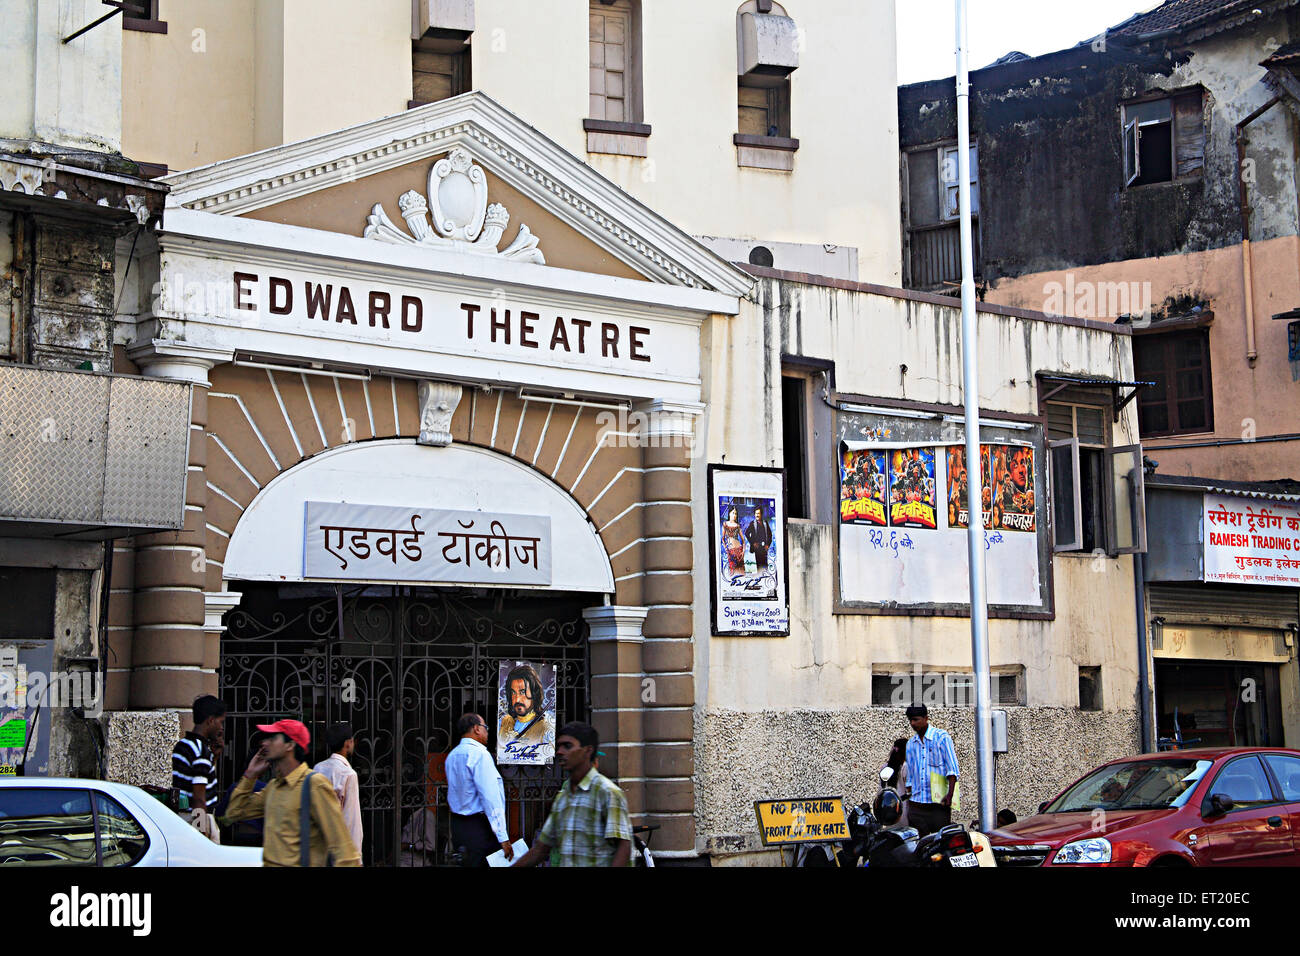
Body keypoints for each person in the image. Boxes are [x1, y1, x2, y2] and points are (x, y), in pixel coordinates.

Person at [224, 719, 361, 867]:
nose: (265, 743)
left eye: (273, 738)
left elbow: (344, 848)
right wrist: (250, 775)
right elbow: (234, 812)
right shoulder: (273, 788)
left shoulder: (315, 785)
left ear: (290, 745)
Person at [512, 721, 632, 867]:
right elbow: (541, 848)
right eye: (559, 746)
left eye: (568, 746)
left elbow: (624, 847)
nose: (560, 752)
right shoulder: (563, 797)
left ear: (587, 751)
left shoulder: (607, 793)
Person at [445, 712, 512, 866]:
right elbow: (490, 797)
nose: (487, 732)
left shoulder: (452, 755)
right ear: (476, 728)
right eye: (485, 727)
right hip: (479, 827)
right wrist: (503, 837)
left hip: (458, 826)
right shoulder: (480, 754)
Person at [171, 695, 225, 843]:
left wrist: (214, 757)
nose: (221, 727)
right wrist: (201, 836)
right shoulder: (201, 751)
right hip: (198, 818)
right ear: (211, 720)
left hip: (182, 817)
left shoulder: (182, 745)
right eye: (220, 722)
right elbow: (199, 798)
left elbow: (191, 779)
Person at [902, 704, 960, 837]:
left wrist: (950, 795)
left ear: (926, 718)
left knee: (939, 842)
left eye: (916, 719)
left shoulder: (941, 737)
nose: (912, 723)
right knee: (919, 843)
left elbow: (953, 770)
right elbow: (910, 774)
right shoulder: (911, 744)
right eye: (910, 720)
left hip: (938, 804)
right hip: (916, 804)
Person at [313, 722, 362, 857]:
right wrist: (356, 856)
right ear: (347, 743)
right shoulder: (348, 774)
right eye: (352, 741)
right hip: (338, 846)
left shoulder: (318, 768)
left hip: (318, 842)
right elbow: (351, 819)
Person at [496, 664, 554, 757]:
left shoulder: (546, 725)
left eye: (522, 692)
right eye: (513, 693)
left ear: (535, 693)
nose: (517, 699)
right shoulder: (503, 722)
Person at [747, 505, 772, 570]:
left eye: (758, 513)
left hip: (764, 548)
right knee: (759, 566)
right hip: (757, 548)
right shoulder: (752, 523)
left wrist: (768, 545)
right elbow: (747, 533)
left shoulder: (765, 523)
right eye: (756, 513)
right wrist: (753, 543)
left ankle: (765, 578)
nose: (757, 515)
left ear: (761, 514)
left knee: (765, 565)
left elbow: (770, 534)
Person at [722, 506, 745, 573]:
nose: (734, 515)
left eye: (736, 513)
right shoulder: (725, 524)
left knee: (741, 571)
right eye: (733, 513)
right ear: (729, 513)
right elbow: (723, 539)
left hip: (739, 550)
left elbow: (743, 541)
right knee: (732, 571)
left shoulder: (737, 526)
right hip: (730, 551)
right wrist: (726, 549)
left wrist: (743, 551)